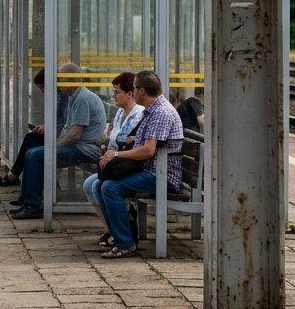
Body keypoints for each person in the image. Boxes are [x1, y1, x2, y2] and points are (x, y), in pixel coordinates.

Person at [98, 70, 185, 258]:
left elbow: (148, 150)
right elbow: (150, 141)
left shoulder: (160, 112)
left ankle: (125, 243)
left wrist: (117, 154)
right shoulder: (151, 110)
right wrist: (134, 139)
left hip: (162, 174)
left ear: (142, 91)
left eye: (135, 89)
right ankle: (119, 235)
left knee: (110, 187)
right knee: (100, 185)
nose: (133, 91)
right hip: (150, 169)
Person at [11, 62, 107, 220]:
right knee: (31, 153)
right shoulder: (73, 98)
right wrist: (52, 146)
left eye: (61, 79)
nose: (58, 84)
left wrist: (53, 148)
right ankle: (28, 200)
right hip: (77, 146)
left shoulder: (82, 99)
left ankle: (34, 205)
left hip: (85, 149)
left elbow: (75, 134)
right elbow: (66, 129)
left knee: (36, 155)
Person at [81, 72, 145, 247]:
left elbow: (128, 145)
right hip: (118, 164)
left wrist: (111, 155)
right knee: (89, 184)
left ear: (130, 94)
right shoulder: (120, 113)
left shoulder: (138, 114)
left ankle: (119, 233)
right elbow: (112, 140)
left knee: (100, 185)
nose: (113, 95)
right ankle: (109, 229)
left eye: (117, 92)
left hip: (129, 166)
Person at [0, 68, 53, 187]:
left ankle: (13, 176)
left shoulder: (69, 98)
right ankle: (16, 179)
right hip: (60, 134)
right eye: (40, 88)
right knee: (31, 140)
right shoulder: (61, 97)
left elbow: (70, 128)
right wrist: (45, 127)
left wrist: (49, 129)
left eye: (43, 87)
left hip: (67, 139)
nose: (42, 91)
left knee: (32, 148)